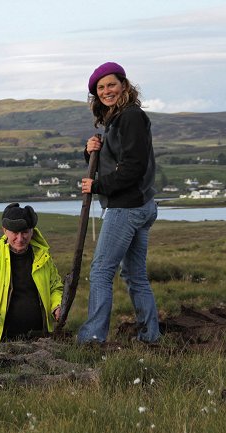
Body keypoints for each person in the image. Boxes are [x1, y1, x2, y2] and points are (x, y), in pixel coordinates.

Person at [76, 62, 160, 345]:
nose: (106, 91)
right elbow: (114, 161)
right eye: (100, 88)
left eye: (111, 84)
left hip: (127, 207)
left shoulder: (131, 117)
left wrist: (97, 186)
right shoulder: (117, 119)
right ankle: (150, 335)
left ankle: (92, 339)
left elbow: (133, 167)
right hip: (140, 204)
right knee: (135, 274)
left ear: (124, 85)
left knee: (100, 271)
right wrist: (90, 154)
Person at [0, 203, 63, 343]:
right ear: (5, 231)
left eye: (25, 232)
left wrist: (57, 307)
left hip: (40, 339)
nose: (20, 238)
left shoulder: (43, 256)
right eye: (15, 233)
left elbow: (55, 288)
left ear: (32, 231)